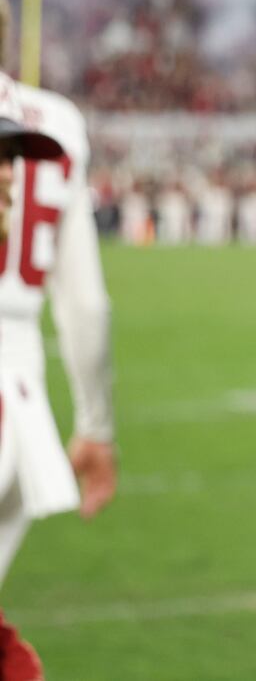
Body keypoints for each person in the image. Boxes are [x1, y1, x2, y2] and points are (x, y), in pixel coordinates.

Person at [0, 61, 115, 681]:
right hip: (25, 401)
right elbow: (87, 304)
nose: (10, 180)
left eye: (11, 159)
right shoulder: (59, 121)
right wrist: (96, 423)